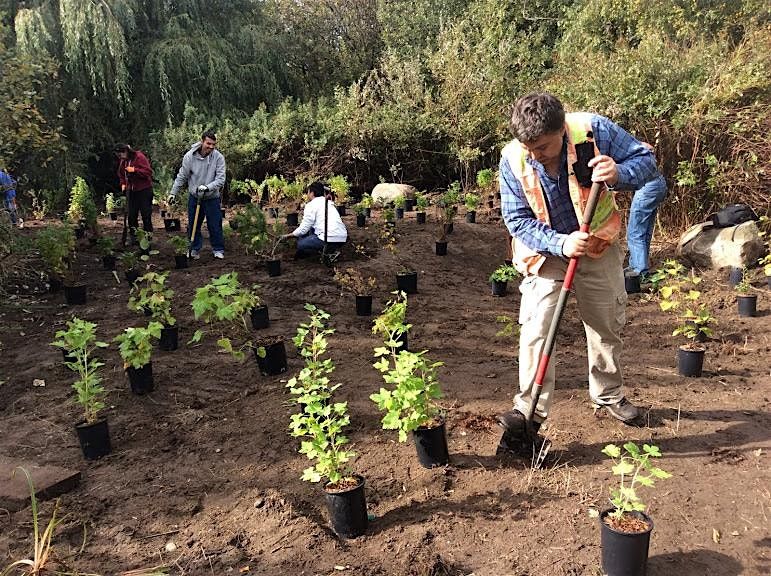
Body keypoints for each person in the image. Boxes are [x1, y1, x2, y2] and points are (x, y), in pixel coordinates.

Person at [496, 92, 658, 454]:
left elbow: (646, 161)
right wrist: (560, 243)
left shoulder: (593, 130)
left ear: (561, 130)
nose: (535, 153)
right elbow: (517, 219)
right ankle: (528, 413)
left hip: (597, 245)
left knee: (605, 323)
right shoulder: (513, 158)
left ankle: (609, 394)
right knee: (537, 332)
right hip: (547, 253)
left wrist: (619, 172)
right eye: (528, 146)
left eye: (542, 146)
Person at [167, 130, 226, 259]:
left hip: (211, 198)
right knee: (194, 224)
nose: (211, 147)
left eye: (213, 145)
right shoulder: (189, 157)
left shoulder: (218, 157)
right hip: (195, 197)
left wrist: (207, 187)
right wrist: (173, 193)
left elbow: (221, 179)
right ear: (202, 141)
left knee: (215, 224)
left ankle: (218, 249)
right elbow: (182, 176)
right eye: (208, 143)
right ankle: (194, 249)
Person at [626, 143, 667, 278]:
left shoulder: (630, 147)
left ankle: (639, 271)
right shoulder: (633, 146)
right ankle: (637, 264)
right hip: (657, 184)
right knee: (644, 230)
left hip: (648, 187)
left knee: (635, 232)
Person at [281, 181, 347, 259]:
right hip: (342, 237)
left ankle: (325, 253)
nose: (307, 195)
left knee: (300, 244)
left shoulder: (311, 205)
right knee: (312, 228)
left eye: (308, 192)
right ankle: (331, 250)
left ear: (312, 193)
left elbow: (304, 228)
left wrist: (289, 235)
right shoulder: (329, 203)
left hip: (328, 238)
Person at [115, 144, 154, 243]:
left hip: (144, 190)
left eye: (121, 153)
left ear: (127, 151)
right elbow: (121, 174)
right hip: (131, 191)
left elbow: (148, 172)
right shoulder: (123, 161)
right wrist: (123, 183)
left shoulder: (139, 157)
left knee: (145, 214)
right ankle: (135, 238)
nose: (120, 156)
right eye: (118, 154)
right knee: (131, 215)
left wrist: (135, 170)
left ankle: (148, 237)